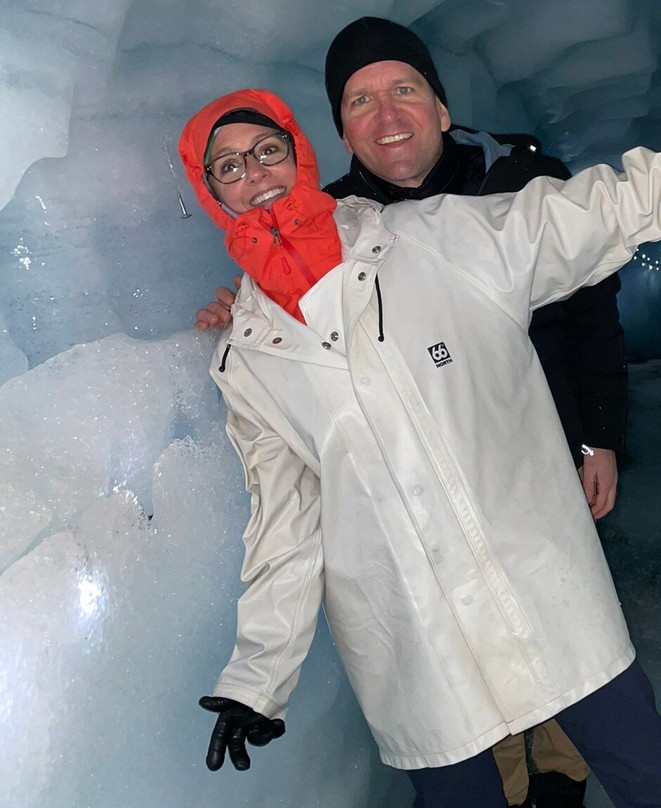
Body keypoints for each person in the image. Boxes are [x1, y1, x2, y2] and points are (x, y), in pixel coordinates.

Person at [179, 86, 661, 808]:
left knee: (654, 776)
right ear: (211, 192)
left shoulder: (437, 237)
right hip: (412, 638)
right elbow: (283, 529)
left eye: (267, 150)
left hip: (537, 581)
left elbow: (590, 214)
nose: (255, 173)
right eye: (228, 166)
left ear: (302, 154)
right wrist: (257, 679)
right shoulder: (247, 358)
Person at [196, 20, 626, 804]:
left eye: (403, 90)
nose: (386, 115)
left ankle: (558, 780)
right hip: (430, 485)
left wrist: (598, 436)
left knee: (559, 637)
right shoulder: (336, 221)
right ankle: (509, 780)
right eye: (361, 100)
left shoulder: (516, 176)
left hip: (541, 454)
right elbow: (295, 305)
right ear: (338, 130)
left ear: (440, 101)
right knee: (471, 651)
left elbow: (591, 311)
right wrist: (245, 310)